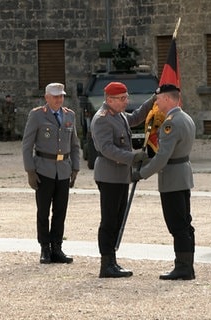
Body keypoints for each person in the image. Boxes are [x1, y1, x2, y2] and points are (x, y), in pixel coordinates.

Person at [91, 81, 154, 278]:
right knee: (109, 220)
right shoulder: (102, 119)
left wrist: (154, 99)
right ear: (109, 100)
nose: (126, 102)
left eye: (126, 97)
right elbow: (106, 149)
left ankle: (112, 261)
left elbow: (135, 118)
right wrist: (133, 157)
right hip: (109, 175)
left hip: (120, 176)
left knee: (117, 218)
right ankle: (106, 264)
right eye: (122, 99)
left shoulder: (118, 115)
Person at [132, 84, 196, 280]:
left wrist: (141, 174)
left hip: (172, 178)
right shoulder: (186, 118)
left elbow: (162, 158)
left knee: (177, 225)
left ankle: (183, 267)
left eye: (158, 99)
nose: (156, 103)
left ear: (168, 99)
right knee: (185, 223)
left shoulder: (171, 123)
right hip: (182, 175)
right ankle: (187, 265)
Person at [22, 83, 80, 264]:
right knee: (43, 211)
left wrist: (75, 168)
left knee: (60, 211)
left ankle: (57, 247)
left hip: (63, 169)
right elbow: (27, 145)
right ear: (46, 97)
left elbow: (75, 144)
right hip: (44, 169)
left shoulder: (69, 114)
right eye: (55, 96)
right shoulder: (37, 115)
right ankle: (44, 248)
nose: (58, 99)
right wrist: (30, 171)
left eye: (61, 96)